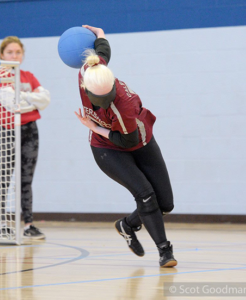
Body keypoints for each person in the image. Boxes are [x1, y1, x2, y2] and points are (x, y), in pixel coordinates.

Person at [75, 25, 177, 267]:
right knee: (145, 195)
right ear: (85, 86)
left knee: (166, 203)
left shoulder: (124, 107)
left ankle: (128, 225)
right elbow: (102, 53)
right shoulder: (88, 71)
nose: (104, 102)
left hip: (134, 140)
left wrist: (95, 127)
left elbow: (126, 139)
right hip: (107, 149)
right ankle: (165, 251)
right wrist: (100, 34)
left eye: (108, 95)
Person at [0, 36, 50, 240]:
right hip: (6, 130)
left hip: (30, 130)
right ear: (2, 55)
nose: (14, 56)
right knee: (4, 178)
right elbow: (10, 105)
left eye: (17, 52)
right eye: (10, 52)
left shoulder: (28, 76)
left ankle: (29, 225)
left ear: (22, 55)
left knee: (26, 179)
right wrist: (31, 100)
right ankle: (2, 224)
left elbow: (45, 99)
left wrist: (23, 99)